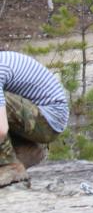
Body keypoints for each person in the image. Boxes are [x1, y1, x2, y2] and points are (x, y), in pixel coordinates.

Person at [0, 50, 70, 187]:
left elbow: (1, 130)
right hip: (40, 117)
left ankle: (10, 166)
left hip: (48, 120)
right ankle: (27, 150)